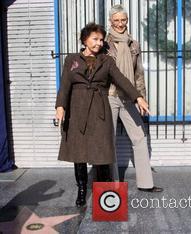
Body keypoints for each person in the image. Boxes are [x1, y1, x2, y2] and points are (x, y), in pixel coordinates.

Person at [55, 23, 150, 207]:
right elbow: (65, 85)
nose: (99, 43)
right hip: (77, 110)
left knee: (101, 153)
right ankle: (82, 190)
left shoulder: (107, 61)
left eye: (101, 40)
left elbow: (122, 79)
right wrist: (60, 107)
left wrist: (138, 97)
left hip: (100, 110)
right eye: (95, 39)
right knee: (78, 153)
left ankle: (106, 193)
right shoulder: (71, 60)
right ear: (84, 40)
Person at [106, 5, 163, 193]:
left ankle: (146, 184)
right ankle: (112, 185)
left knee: (139, 136)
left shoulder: (134, 44)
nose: (120, 24)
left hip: (130, 98)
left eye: (124, 20)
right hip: (110, 96)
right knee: (109, 140)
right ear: (111, 21)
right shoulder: (104, 44)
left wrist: (141, 97)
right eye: (117, 20)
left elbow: (139, 74)